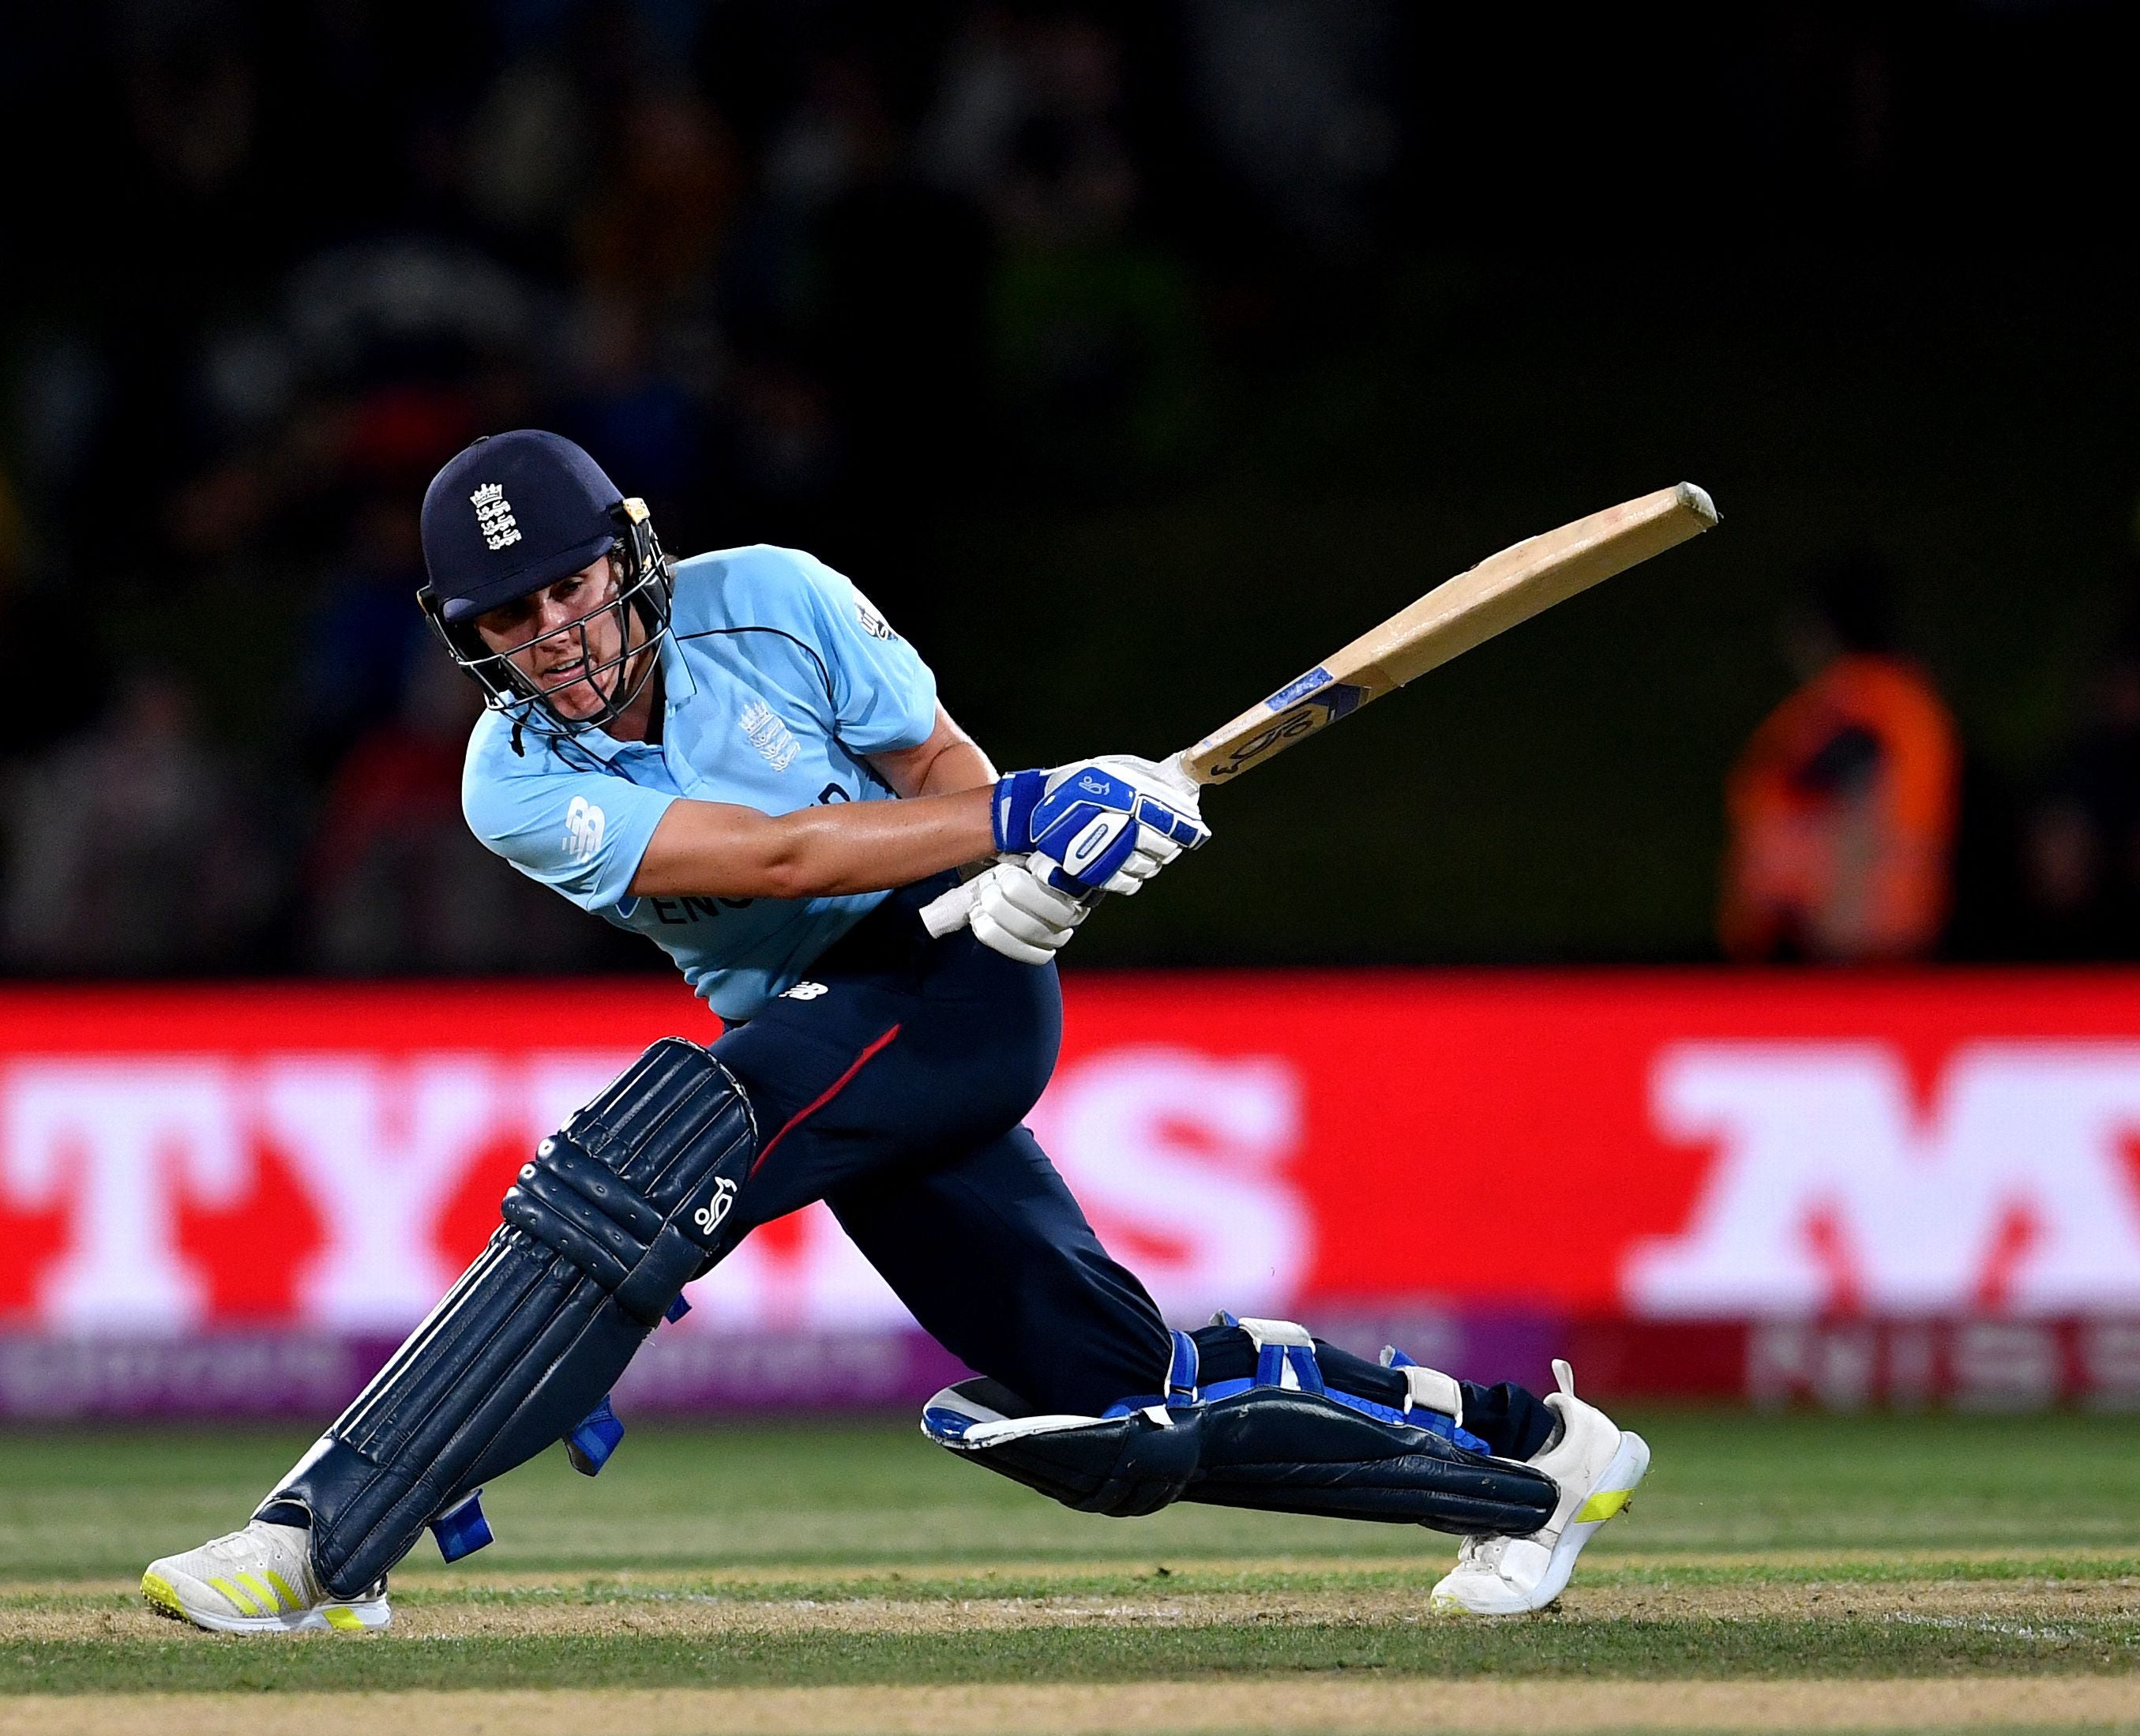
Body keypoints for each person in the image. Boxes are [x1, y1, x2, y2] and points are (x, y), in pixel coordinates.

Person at [141, 429, 1647, 1633]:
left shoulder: (778, 596)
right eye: (509, 615)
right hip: (827, 1020)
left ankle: (317, 1545)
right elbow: (775, 859)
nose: (553, 631)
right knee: (1114, 1408)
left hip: (953, 986)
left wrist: (1028, 882)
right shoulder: (509, 777)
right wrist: (1022, 814)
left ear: (630, 552)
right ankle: (1531, 1465)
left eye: (571, 584)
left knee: (651, 1154)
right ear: (465, 635)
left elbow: (930, 757)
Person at [1718, 552, 1958, 962]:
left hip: (1841, 953)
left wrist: (1838, 950)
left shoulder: (1861, 709)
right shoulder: (1896, 702)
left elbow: (1862, 814)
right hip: (1860, 946)